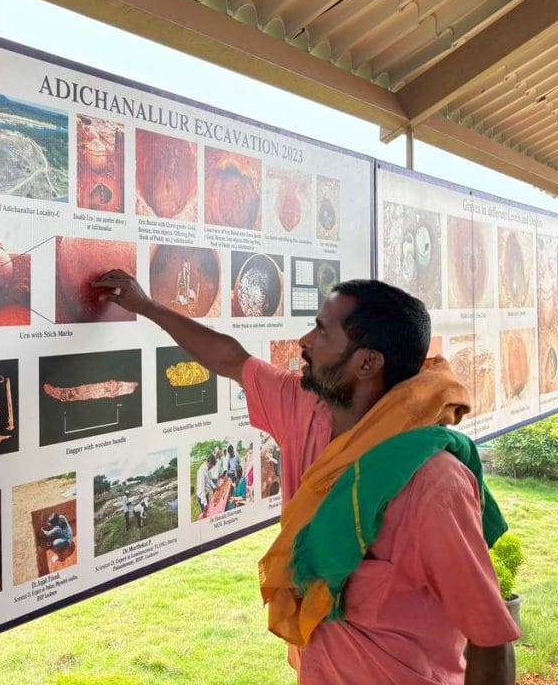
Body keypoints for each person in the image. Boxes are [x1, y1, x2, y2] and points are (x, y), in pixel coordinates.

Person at [93, 271, 520, 685]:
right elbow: (231, 359)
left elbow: (491, 641)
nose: (305, 341)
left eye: (322, 332)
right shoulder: (307, 413)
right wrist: (145, 305)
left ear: (367, 362)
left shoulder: (434, 485)